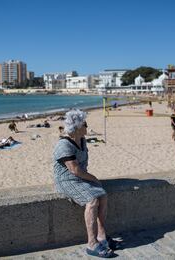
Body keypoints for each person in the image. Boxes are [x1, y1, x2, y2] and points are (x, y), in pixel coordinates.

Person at [53, 109, 119, 258]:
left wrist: (91, 180)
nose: (87, 127)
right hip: (66, 180)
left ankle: (102, 236)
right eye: (85, 124)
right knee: (92, 200)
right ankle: (91, 243)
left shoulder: (82, 140)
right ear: (76, 127)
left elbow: (81, 169)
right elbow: (75, 170)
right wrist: (94, 179)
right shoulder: (63, 145)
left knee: (103, 195)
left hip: (80, 178)